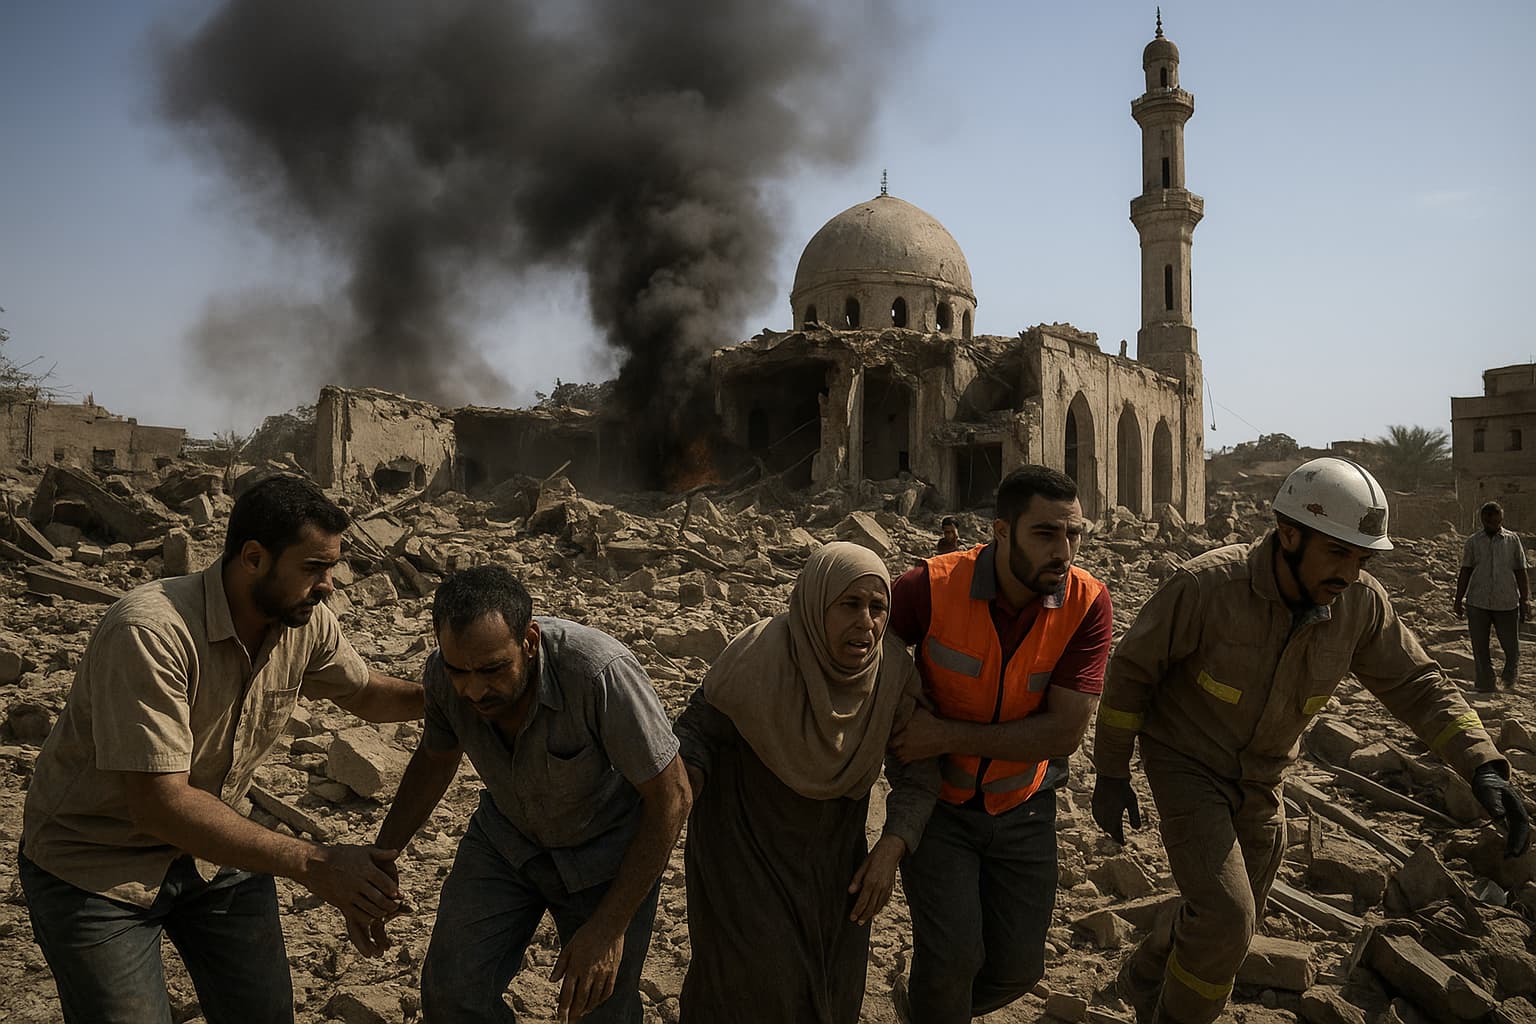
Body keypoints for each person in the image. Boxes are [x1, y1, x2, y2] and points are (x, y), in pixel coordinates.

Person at [1092, 456, 1531, 1024]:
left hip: (1264, 776)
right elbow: (1130, 672)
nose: (1349, 573)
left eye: (1362, 558)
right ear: (1288, 534)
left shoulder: (1360, 605)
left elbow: (1419, 684)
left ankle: (1148, 969)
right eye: (1338, 553)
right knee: (1227, 919)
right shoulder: (1208, 586)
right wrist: (1110, 772)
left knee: (1232, 917)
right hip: (1187, 763)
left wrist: (1484, 766)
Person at [19, 474, 424, 1024]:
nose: (329, 585)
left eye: (332, 568)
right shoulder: (152, 632)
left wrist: (462, 692)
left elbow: (367, 694)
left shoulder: (302, 619)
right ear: (254, 558)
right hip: (96, 863)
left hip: (214, 850)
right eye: (312, 568)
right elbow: (159, 803)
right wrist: (318, 863)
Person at [369, 565, 690, 1024]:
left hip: (605, 855)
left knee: (600, 1007)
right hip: (507, 841)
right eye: (460, 671)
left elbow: (672, 797)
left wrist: (607, 928)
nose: (475, 689)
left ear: (531, 641)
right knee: (453, 988)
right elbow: (436, 759)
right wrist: (382, 858)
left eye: (494, 670)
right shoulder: (443, 675)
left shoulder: (597, 673)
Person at [674, 542, 939, 1024]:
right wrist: (678, 799)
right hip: (744, 849)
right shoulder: (761, 655)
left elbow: (918, 771)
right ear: (816, 604)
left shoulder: (893, 674)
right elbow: (696, 733)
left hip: (835, 860)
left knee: (834, 995)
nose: (867, 622)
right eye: (849, 605)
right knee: (756, 989)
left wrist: (891, 849)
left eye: (877, 608)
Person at [887, 465, 1113, 1023]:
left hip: (1023, 805)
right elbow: (865, 658)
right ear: (1002, 531)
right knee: (952, 959)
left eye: (1074, 535)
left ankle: (925, 1011)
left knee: (1018, 969)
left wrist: (945, 733)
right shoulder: (931, 586)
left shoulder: (1087, 603)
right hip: (940, 806)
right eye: (1046, 534)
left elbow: (1064, 732)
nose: (1064, 551)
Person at [1454, 500, 1530, 692]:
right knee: (1480, 648)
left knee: (1511, 647)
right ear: (1482, 520)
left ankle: (1509, 678)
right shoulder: (1473, 542)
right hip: (1478, 601)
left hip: (1506, 602)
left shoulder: (1512, 541)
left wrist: (1525, 599)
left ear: (1501, 519)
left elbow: (1521, 570)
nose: (1492, 526)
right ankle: (1486, 684)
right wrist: (1458, 599)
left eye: (1495, 522)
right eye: (1488, 522)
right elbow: (1466, 570)